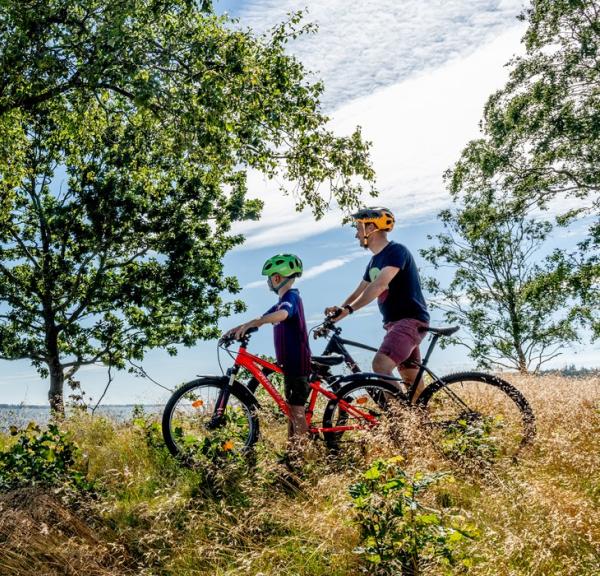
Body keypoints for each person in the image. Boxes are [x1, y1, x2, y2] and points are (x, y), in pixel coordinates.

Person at [324, 207, 429, 400]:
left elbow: (380, 285)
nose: (356, 234)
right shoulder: (374, 261)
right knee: (410, 379)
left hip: (408, 321)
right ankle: (421, 423)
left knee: (380, 366)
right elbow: (360, 291)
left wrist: (348, 310)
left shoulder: (396, 251)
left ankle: (398, 421)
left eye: (358, 228)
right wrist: (338, 312)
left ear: (371, 227)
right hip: (395, 324)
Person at [225, 253, 312, 453]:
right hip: (289, 363)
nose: (267, 283)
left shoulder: (291, 297)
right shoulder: (282, 301)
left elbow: (282, 315)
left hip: (297, 362)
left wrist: (257, 322)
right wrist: (239, 328)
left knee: (297, 410)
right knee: (291, 409)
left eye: (268, 278)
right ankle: (293, 454)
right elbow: (262, 317)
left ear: (276, 278)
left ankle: (301, 458)